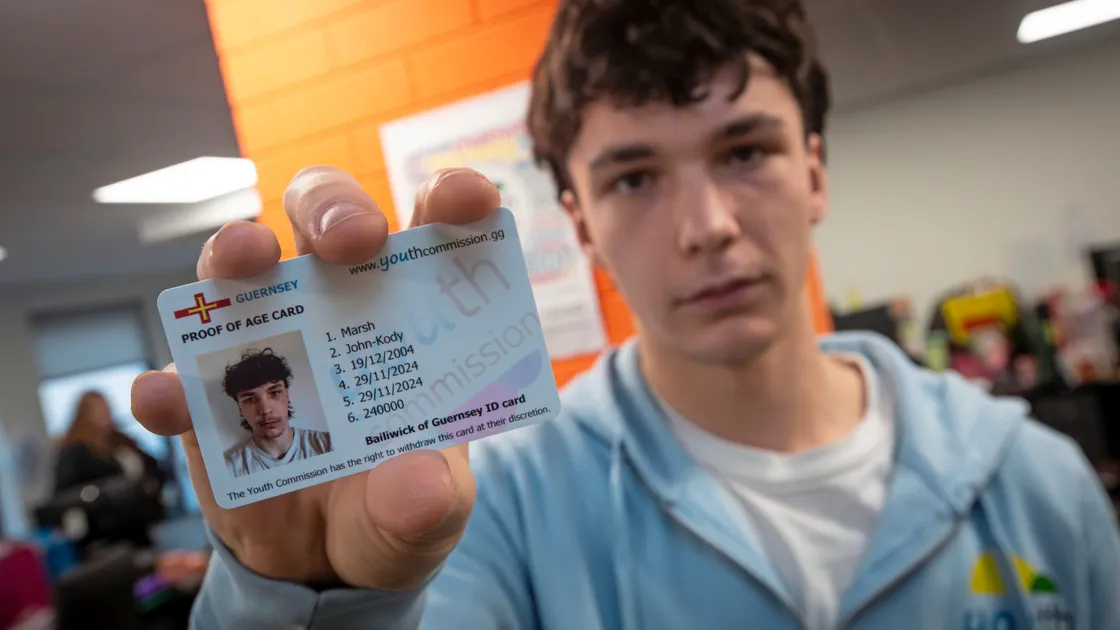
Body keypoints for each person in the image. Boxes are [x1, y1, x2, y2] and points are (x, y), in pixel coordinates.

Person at [130, 1, 1120, 628]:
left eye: (745, 152)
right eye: (635, 176)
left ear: (813, 171)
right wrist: (303, 603)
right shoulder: (490, 513)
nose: (707, 226)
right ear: (581, 227)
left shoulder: (1036, 481)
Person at [221, 348, 332, 478]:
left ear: (287, 395)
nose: (266, 410)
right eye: (250, 399)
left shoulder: (327, 445)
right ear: (240, 408)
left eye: (274, 393)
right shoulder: (230, 471)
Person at [54, 391, 164, 494]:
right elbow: (69, 490)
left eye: (106, 409)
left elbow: (153, 466)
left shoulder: (122, 441)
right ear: (84, 414)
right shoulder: (75, 451)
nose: (105, 415)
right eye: (97, 411)